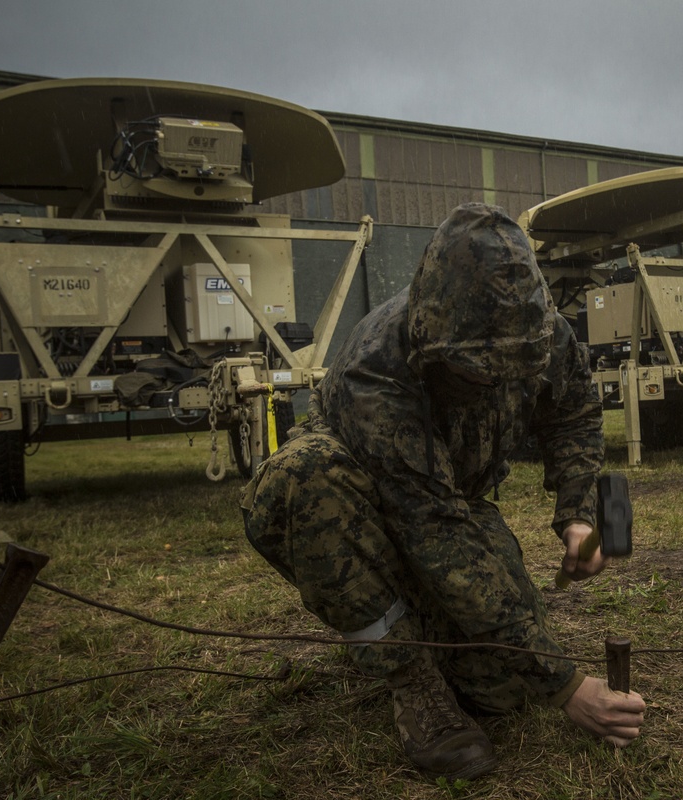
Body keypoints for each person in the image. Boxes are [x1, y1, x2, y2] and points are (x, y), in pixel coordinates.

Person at [240, 203, 646, 780]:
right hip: (358, 505)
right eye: (481, 371)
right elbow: (438, 536)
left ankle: (423, 632)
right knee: (309, 479)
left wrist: (582, 517)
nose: (498, 383)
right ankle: (410, 678)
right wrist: (569, 686)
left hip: (452, 505)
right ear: (438, 339)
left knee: (503, 689)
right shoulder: (377, 370)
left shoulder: (536, 331)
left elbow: (576, 411)